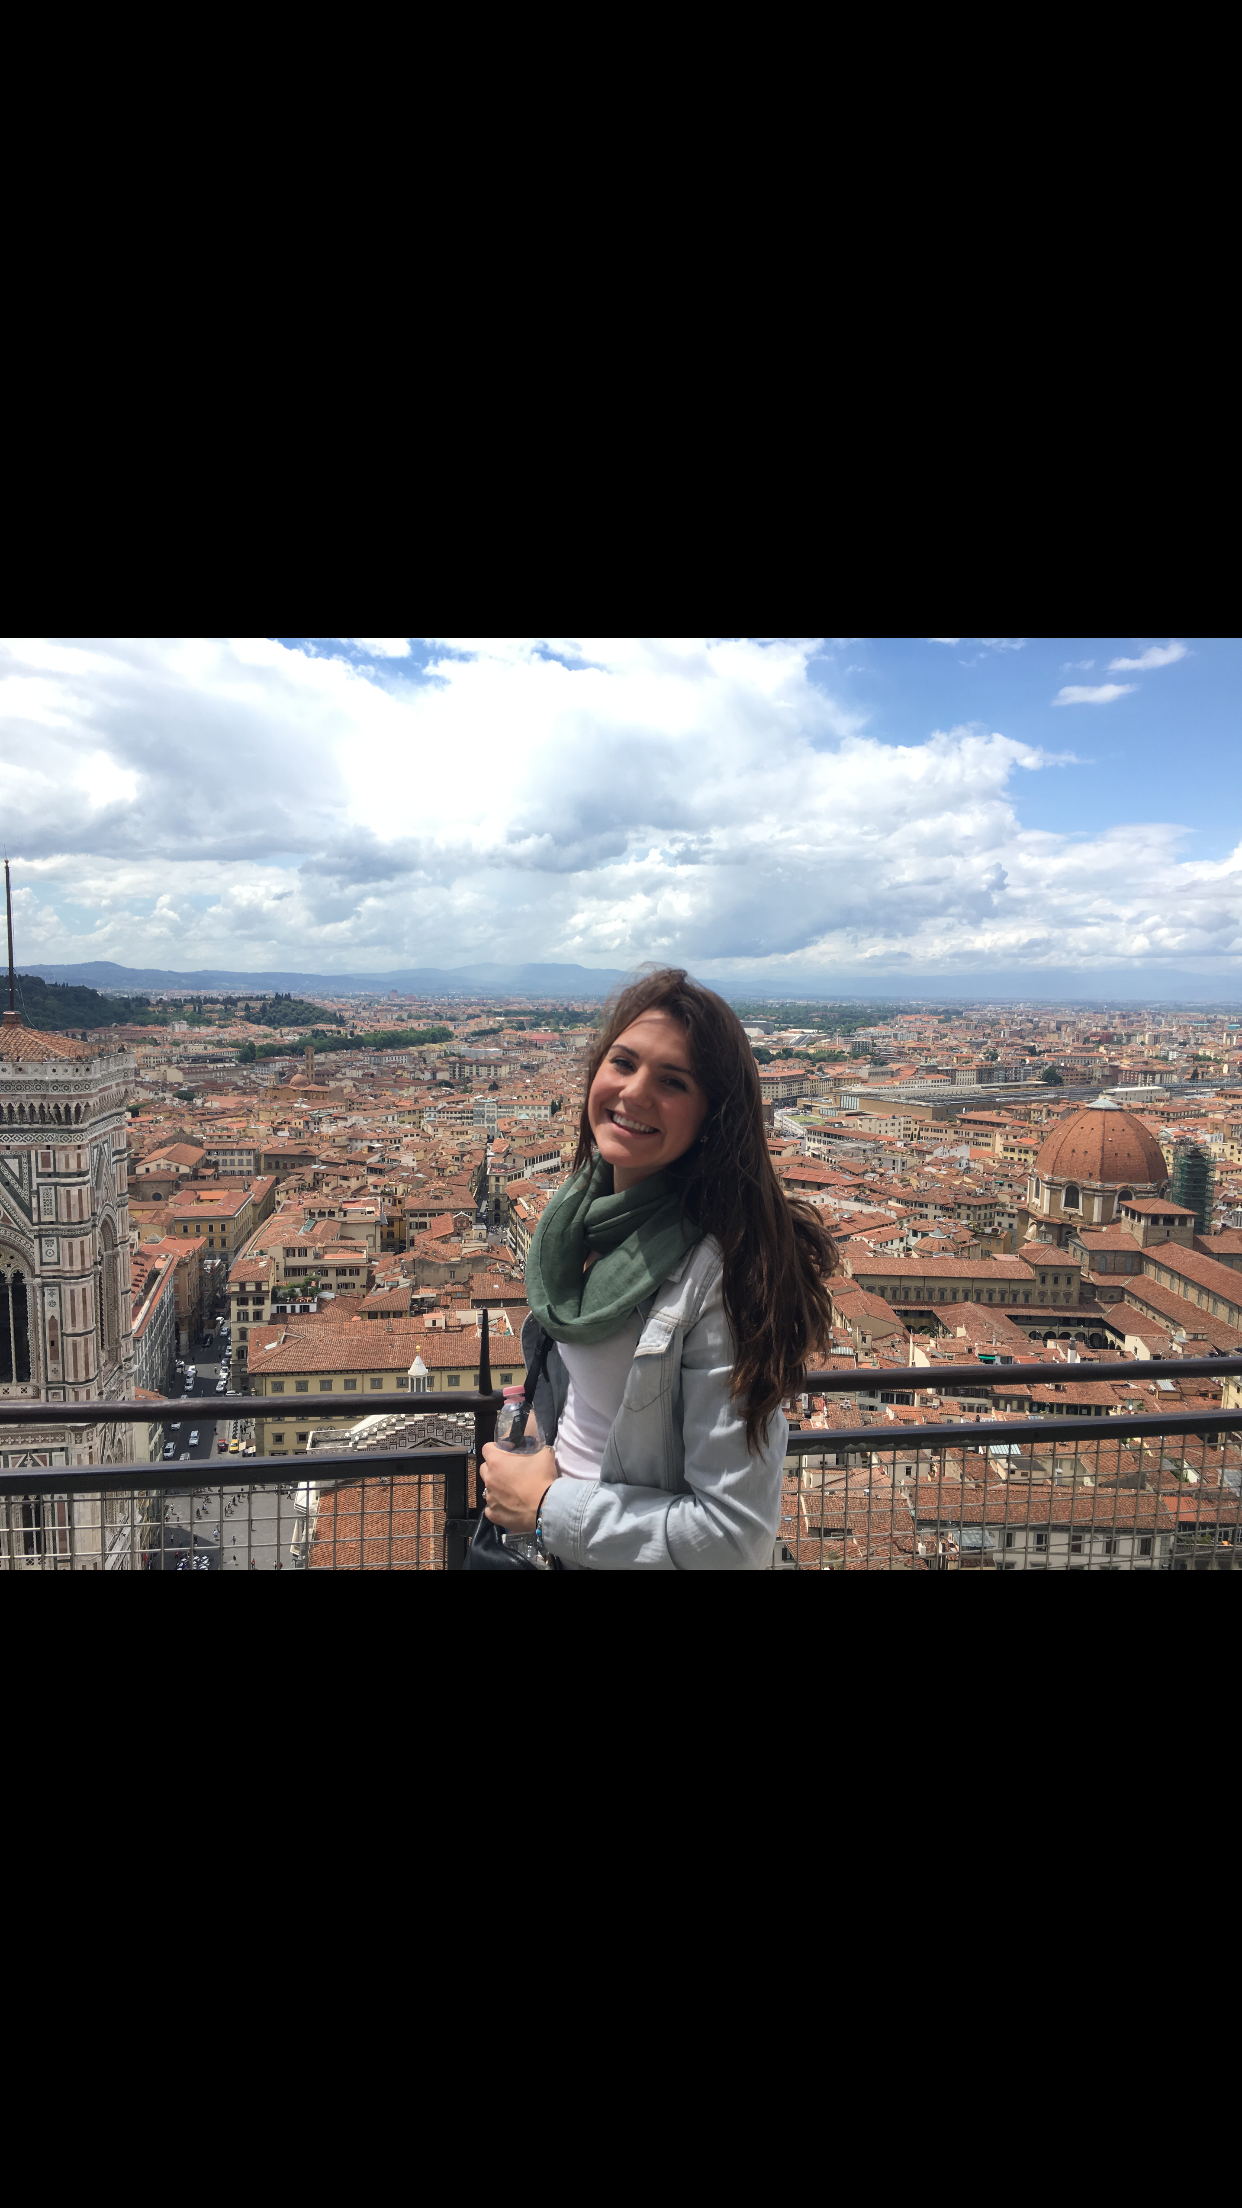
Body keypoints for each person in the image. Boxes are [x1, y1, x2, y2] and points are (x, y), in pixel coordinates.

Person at [479, 969, 833, 1570]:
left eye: (672, 1081)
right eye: (623, 1062)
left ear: (713, 1117)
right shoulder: (582, 1223)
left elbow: (732, 1540)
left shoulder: (723, 1275)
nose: (635, 1092)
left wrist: (543, 1506)